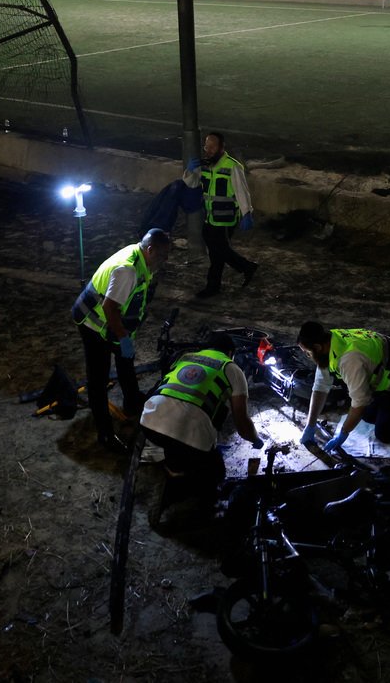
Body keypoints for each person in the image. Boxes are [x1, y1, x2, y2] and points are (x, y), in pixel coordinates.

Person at [71, 228, 172, 453]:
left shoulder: (141, 259)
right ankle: (105, 434)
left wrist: (124, 338)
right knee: (98, 379)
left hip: (112, 324)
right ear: (150, 249)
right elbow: (110, 307)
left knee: (126, 360)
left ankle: (132, 400)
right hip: (93, 324)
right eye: (163, 255)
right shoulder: (128, 270)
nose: (165, 260)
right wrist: (122, 338)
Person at [139, 332, 264, 503]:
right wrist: (255, 439)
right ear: (230, 353)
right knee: (216, 472)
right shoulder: (232, 368)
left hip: (149, 424)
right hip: (192, 437)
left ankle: (175, 475)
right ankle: (202, 502)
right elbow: (241, 422)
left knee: (174, 442)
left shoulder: (185, 357)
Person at [295, 321, 390, 452]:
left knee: (385, 433)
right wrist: (310, 425)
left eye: (307, 353)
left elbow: (360, 403)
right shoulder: (331, 340)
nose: (308, 357)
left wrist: (343, 433)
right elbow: (320, 388)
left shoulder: (349, 360)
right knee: (367, 416)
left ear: (317, 348)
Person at [189, 132, 258, 298]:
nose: (208, 150)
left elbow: (242, 192)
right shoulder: (204, 165)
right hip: (210, 217)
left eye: (212, 146)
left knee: (217, 252)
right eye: (207, 146)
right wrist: (190, 170)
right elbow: (190, 184)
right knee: (218, 251)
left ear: (221, 147)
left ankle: (214, 286)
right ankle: (245, 268)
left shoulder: (232, 166)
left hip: (225, 219)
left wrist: (246, 213)